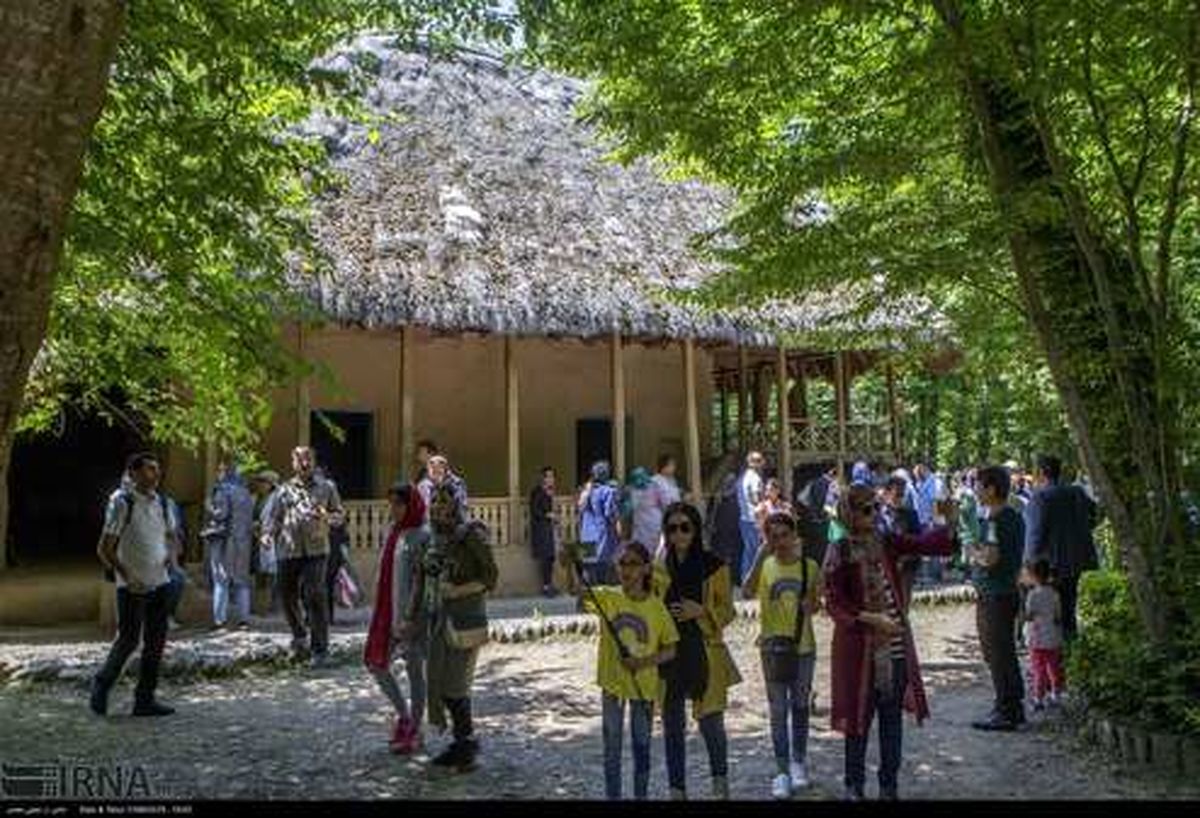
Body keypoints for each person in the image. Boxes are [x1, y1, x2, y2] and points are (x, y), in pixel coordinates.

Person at [823, 483, 957, 800]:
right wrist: (871, 619)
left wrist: (947, 524)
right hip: (858, 650)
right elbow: (834, 602)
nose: (874, 514)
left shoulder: (886, 542)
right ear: (849, 513)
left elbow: (923, 544)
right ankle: (854, 785)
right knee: (857, 720)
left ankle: (889, 786)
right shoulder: (839, 551)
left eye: (876, 507)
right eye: (866, 509)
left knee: (891, 720)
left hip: (894, 648)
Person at [569, 541, 678, 800]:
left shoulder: (656, 607)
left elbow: (671, 649)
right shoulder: (608, 597)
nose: (627, 570)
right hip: (612, 685)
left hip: (643, 688)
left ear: (646, 569)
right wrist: (569, 566)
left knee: (642, 748)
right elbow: (576, 591)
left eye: (633, 564)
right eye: (622, 564)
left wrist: (643, 662)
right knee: (612, 749)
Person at [654, 502, 741, 800]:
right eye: (672, 528)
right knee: (672, 725)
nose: (679, 534)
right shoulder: (659, 568)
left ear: (695, 529)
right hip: (669, 653)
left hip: (704, 651)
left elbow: (728, 611)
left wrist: (701, 611)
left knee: (711, 722)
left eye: (685, 527)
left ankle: (720, 782)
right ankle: (676, 788)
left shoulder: (714, 566)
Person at [90, 452, 178, 717]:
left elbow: (172, 537)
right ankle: (101, 685)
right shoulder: (123, 502)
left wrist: (171, 558)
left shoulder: (164, 503)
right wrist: (128, 577)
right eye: (149, 469)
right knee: (128, 641)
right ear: (134, 473)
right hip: (132, 587)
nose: (156, 474)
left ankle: (145, 700)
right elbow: (104, 548)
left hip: (161, 583)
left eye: (157, 468)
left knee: (156, 643)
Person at [742, 512, 822, 800]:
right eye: (773, 536)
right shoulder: (766, 565)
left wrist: (811, 604)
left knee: (800, 705)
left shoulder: (809, 567)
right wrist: (760, 553)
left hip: (803, 647)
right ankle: (781, 770)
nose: (780, 542)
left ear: (794, 535)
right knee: (778, 710)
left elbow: (816, 605)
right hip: (773, 648)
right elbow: (747, 590)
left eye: (784, 535)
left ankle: (798, 761)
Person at [424, 482, 498, 771]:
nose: (437, 506)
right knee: (441, 684)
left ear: (455, 505)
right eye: (434, 501)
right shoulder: (435, 537)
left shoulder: (471, 535)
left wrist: (457, 591)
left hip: (465, 619)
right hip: (440, 618)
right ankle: (460, 743)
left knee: (456, 686)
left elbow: (490, 578)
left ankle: (466, 746)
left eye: (444, 501)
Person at [364, 483, 430, 755]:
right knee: (375, 662)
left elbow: (422, 582)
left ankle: (415, 727)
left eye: (398, 504)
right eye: (390, 503)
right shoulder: (394, 531)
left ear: (410, 504)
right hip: (388, 612)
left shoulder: (423, 535)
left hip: (412, 616)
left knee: (415, 670)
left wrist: (410, 617)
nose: (393, 509)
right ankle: (403, 715)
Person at [264, 446, 344, 668]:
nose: (304, 463)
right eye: (299, 459)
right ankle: (299, 635)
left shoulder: (327, 487)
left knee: (315, 595)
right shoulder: (283, 490)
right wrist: (267, 535)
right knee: (286, 594)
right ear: (293, 463)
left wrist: (326, 516)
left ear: (314, 461)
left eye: (308, 458)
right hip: (288, 549)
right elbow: (274, 519)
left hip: (316, 549)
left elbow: (339, 516)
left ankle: (320, 650)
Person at [968, 466, 1026, 731]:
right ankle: (1011, 705)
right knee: (1004, 651)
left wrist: (973, 553)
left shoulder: (994, 520)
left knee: (997, 653)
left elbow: (991, 558)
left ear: (991, 489)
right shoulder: (1014, 516)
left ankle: (1006, 709)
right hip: (1007, 591)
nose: (975, 490)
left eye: (979, 485)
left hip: (994, 594)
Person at [1024, 455, 1098, 643]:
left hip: (1051, 565)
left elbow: (1035, 534)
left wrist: (1028, 562)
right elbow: (1094, 516)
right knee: (1069, 606)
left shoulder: (1040, 497)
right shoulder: (1077, 492)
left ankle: (1056, 652)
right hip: (1077, 559)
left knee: (1051, 612)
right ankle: (1072, 648)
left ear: (1041, 473)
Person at [200, 460, 256, 630]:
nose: (219, 473)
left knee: (220, 580)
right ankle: (244, 620)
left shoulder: (222, 490)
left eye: (221, 470)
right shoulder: (246, 493)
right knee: (241, 581)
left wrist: (209, 507)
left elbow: (221, 514)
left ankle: (220, 621)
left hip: (224, 542)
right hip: (243, 542)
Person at [1023, 558, 1066, 711]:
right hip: (1053, 638)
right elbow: (1058, 617)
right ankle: (1056, 695)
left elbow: (1029, 616)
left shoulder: (1032, 595)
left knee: (1038, 669)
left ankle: (1038, 698)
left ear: (1033, 576)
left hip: (1037, 638)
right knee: (1054, 668)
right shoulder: (1054, 594)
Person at [878, 475, 921, 606]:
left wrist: (905, 557)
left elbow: (918, 542)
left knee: (902, 604)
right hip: (882, 568)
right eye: (897, 495)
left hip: (905, 569)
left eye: (903, 495)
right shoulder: (875, 515)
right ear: (886, 493)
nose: (901, 499)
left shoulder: (911, 515)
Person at [578, 461, 621, 586]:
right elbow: (611, 514)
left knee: (588, 577)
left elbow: (581, 511)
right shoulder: (608, 492)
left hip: (586, 538)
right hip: (602, 539)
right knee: (602, 581)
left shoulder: (587, 491)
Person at [249, 470, 281, 614]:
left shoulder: (277, 499)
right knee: (259, 572)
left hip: (272, 539)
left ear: (271, 484)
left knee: (271, 574)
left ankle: (270, 606)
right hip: (257, 538)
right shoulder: (255, 499)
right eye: (260, 481)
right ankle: (259, 605)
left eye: (263, 482)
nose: (260, 485)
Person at [795, 464, 837, 568]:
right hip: (825, 525)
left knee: (812, 557)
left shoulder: (812, 483)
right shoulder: (833, 485)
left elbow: (801, 500)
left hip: (812, 524)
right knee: (825, 557)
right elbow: (831, 509)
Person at [706, 470, 744, 580]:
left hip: (731, 532)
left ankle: (733, 579)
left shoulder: (734, 497)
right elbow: (711, 514)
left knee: (732, 556)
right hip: (723, 533)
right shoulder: (718, 497)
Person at [737, 451, 766, 583]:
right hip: (755, 519)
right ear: (751, 462)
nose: (762, 463)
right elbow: (755, 498)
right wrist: (763, 510)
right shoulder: (755, 478)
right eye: (759, 460)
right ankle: (753, 582)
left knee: (748, 552)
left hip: (744, 519)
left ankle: (745, 579)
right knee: (757, 553)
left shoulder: (742, 478)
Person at [529, 466, 558, 598]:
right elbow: (535, 510)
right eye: (549, 476)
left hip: (548, 528)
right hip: (540, 528)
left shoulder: (549, 492)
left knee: (551, 557)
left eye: (552, 476)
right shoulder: (537, 492)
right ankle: (546, 586)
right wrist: (547, 515)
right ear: (543, 478)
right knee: (545, 557)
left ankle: (549, 584)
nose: (551, 479)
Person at [418, 454, 469, 526]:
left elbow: (461, 505)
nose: (436, 471)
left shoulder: (455, 484)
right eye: (433, 468)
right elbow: (423, 506)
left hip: (452, 523)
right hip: (430, 524)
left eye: (439, 468)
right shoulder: (424, 485)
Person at [626, 466, 658, 550]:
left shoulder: (654, 486)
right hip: (641, 524)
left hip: (652, 523)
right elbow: (628, 509)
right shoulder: (633, 490)